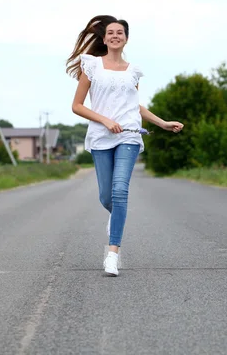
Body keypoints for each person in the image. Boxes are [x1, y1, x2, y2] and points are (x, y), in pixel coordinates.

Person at [67, 15, 183, 276]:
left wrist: (162, 123)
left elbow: (134, 105)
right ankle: (116, 219)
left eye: (120, 32)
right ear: (104, 38)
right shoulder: (92, 67)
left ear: (126, 38)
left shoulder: (133, 71)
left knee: (120, 192)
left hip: (128, 136)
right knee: (106, 197)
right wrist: (105, 120)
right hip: (101, 136)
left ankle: (112, 254)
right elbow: (77, 106)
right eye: (111, 32)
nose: (115, 36)